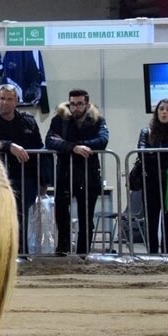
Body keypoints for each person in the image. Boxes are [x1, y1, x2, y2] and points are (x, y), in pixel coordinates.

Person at [0, 84, 44, 251]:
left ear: (16, 102)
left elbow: (40, 149)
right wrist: (9, 146)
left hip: (25, 177)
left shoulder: (28, 121)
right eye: (1, 98)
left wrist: (44, 180)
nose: (4, 103)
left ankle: (21, 253)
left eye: (9, 99)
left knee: (20, 215)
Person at [46, 89, 109, 256]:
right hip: (64, 174)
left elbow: (102, 141)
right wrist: (74, 148)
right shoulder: (60, 120)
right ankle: (63, 247)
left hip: (89, 175)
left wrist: (73, 144)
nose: (75, 107)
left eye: (80, 104)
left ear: (87, 104)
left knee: (86, 217)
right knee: (61, 214)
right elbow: (50, 141)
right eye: (72, 104)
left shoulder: (97, 120)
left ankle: (83, 253)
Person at [136, 99, 168, 254]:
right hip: (151, 182)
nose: (164, 112)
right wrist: (166, 156)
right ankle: (152, 255)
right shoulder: (147, 132)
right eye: (161, 109)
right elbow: (142, 153)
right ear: (156, 112)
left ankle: (167, 255)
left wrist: (158, 155)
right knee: (151, 223)